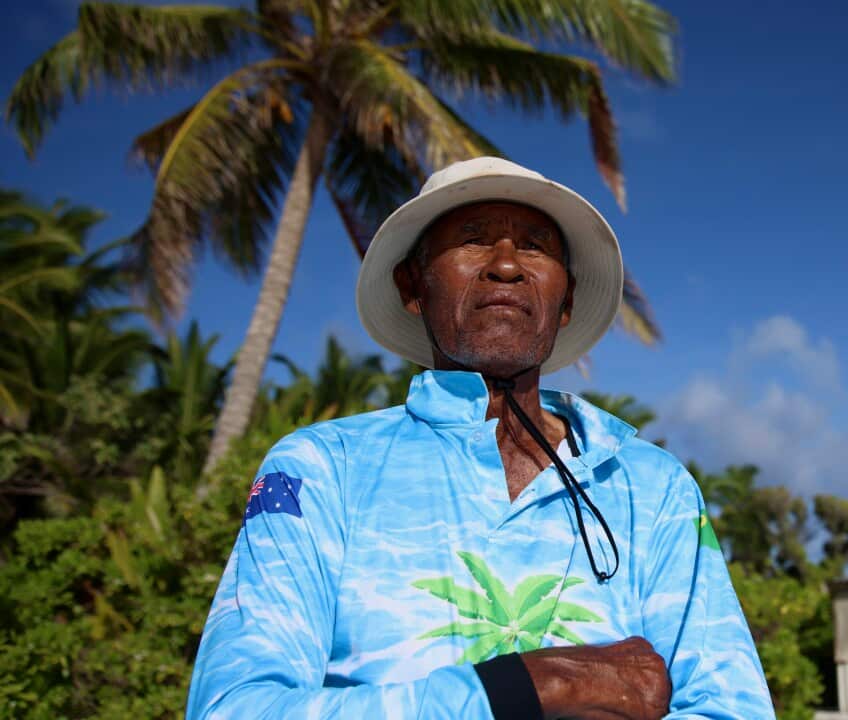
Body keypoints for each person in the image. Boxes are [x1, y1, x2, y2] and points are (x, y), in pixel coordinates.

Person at [186, 157, 774, 719]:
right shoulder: (321, 469)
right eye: (472, 239)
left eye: (536, 247)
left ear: (565, 300)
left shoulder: (653, 486)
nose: (507, 265)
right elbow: (234, 708)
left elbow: (732, 708)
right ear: (413, 285)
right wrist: (538, 684)